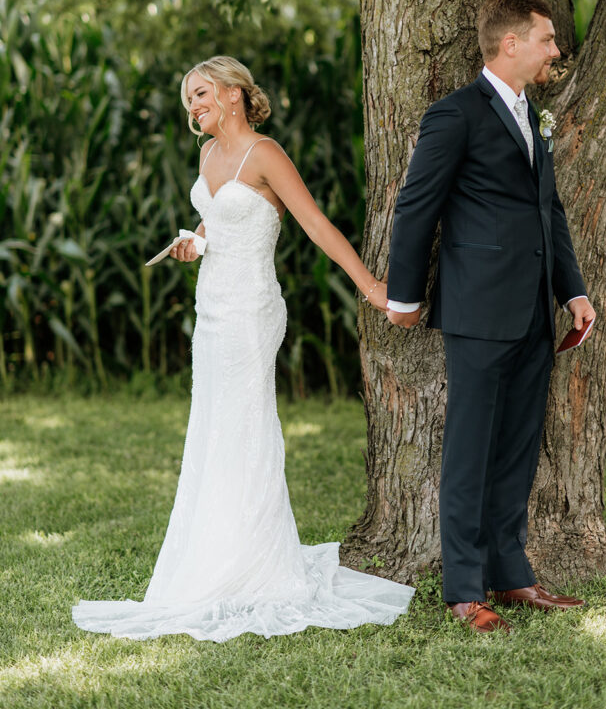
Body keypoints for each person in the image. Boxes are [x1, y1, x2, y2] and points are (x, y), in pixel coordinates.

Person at [72, 55, 414, 642]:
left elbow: (313, 224)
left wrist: (373, 288)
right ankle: (215, 548)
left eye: (201, 94)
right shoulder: (206, 155)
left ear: (233, 93)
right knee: (213, 428)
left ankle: (255, 560)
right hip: (212, 311)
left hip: (253, 311)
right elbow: (217, 222)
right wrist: (193, 243)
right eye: (188, 100)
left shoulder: (266, 154)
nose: (193, 107)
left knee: (247, 426)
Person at [385, 0, 595, 634]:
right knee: (471, 450)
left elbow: (547, 211)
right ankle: (464, 590)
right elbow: (417, 208)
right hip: (477, 308)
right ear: (511, 44)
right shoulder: (455, 115)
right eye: (548, 39)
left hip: (534, 310)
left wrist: (573, 290)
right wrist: (403, 296)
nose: (556, 50)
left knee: (518, 447)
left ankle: (512, 575)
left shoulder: (535, 115)